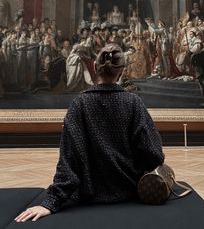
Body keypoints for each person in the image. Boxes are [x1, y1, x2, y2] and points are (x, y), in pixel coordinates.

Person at [15, 43, 164, 222]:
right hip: (131, 193)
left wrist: (50, 202)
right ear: (122, 70)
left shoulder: (79, 104)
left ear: (94, 66)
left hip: (88, 197)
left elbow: (69, 159)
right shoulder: (134, 103)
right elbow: (154, 155)